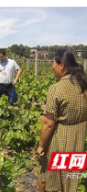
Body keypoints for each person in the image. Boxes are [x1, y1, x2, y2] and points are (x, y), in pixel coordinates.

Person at [37, 49, 87, 192]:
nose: (52, 66)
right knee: (70, 179)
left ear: (62, 65)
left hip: (60, 139)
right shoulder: (83, 84)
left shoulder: (56, 89)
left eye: (54, 62)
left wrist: (41, 145)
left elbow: (48, 123)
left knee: (49, 176)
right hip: (78, 138)